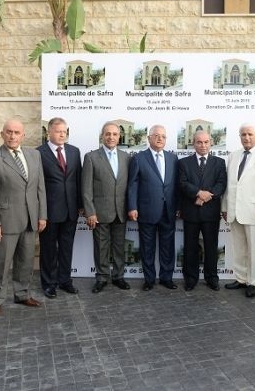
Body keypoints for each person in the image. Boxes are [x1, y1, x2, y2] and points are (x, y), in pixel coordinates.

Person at [0, 119, 47, 317]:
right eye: (9, 132)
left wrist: (42, 215)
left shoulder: (34, 155)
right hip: (6, 220)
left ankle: (22, 294)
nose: (12, 136)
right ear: (2, 134)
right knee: (1, 263)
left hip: (30, 219)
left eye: (17, 132)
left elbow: (40, 188)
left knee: (26, 261)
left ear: (23, 135)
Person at [221, 123, 255, 298]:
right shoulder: (233, 156)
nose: (246, 137)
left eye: (250, 134)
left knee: (254, 249)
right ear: (239, 137)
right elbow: (228, 185)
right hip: (233, 211)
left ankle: (253, 282)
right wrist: (224, 207)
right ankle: (241, 279)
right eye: (243, 134)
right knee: (238, 248)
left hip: (254, 212)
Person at [127, 124, 179, 291]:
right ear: (149, 138)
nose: (159, 139)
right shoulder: (139, 158)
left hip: (168, 210)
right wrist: (132, 207)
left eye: (163, 136)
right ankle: (149, 280)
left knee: (168, 247)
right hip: (147, 210)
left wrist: (178, 206)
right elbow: (133, 184)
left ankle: (166, 278)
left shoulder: (173, 158)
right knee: (147, 248)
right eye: (156, 135)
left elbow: (176, 185)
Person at [82, 121, 131, 293]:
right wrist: (90, 212)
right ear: (102, 136)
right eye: (107, 134)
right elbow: (86, 188)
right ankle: (102, 278)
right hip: (100, 212)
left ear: (119, 137)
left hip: (121, 211)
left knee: (119, 246)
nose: (111, 137)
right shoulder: (91, 157)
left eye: (114, 134)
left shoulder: (126, 157)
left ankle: (118, 277)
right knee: (101, 247)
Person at [37, 117, 82, 299]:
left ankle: (65, 281)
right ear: (49, 132)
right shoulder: (38, 153)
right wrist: (40, 212)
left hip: (71, 210)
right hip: (49, 211)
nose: (62, 134)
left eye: (65, 131)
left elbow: (78, 179)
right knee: (48, 249)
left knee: (66, 248)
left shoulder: (74, 151)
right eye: (58, 131)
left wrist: (80, 205)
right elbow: (37, 185)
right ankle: (49, 283)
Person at [178, 130, 227, 291]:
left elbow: (221, 184)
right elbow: (182, 183)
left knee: (211, 247)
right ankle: (190, 279)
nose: (203, 145)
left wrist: (206, 196)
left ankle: (212, 278)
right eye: (199, 142)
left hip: (211, 213)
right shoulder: (184, 163)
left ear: (211, 143)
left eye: (206, 142)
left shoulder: (219, 162)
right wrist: (199, 193)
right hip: (191, 212)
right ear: (194, 144)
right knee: (190, 247)